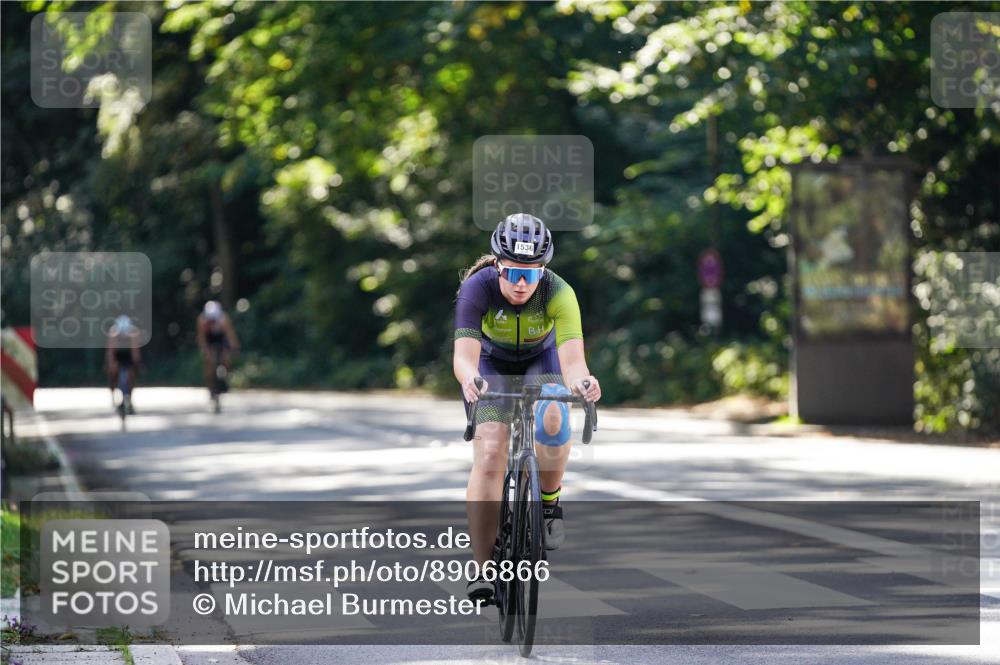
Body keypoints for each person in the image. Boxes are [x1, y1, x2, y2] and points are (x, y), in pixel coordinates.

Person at [453, 213, 601, 604]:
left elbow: (573, 362)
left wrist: (583, 383)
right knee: (490, 451)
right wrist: (471, 379)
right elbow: (464, 357)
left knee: (554, 412)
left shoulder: (558, 291)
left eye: (531, 274)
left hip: (542, 361)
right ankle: (483, 568)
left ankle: (549, 504)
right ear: (498, 265)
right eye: (515, 273)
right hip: (491, 366)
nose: (522, 283)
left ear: (543, 271)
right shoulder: (477, 287)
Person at [196, 300, 240, 397]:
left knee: (226, 359)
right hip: (209, 338)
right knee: (208, 361)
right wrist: (205, 350)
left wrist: (233, 348)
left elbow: (230, 335)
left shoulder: (224, 319)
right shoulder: (202, 320)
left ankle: (225, 378)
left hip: (221, 338)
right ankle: (210, 384)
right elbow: (201, 337)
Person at [105, 315, 141, 414]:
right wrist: (111, 365)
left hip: (128, 356)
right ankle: (113, 395)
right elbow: (111, 353)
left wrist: (136, 365)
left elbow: (135, 353)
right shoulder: (113, 334)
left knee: (131, 375)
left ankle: (130, 399)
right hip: (117, 355)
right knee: (112, 374)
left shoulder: (133, 334)